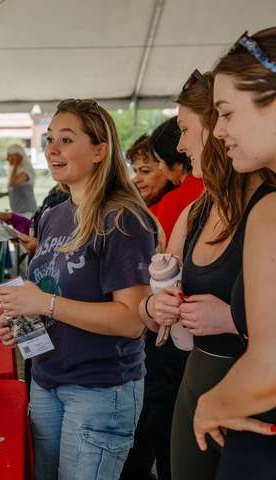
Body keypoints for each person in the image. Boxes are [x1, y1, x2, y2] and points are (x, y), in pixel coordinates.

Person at [0, 99, 158, 480]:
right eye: (50, 139)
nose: (52, 149)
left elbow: (133, 320)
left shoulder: (122, 219)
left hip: (100, 390)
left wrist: (45, 303)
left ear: (100, 150)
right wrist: (22, 318)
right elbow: (48, 291)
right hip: (48, 380)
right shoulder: (53, 215)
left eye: (67, 139)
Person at [139, 69, 276, 480]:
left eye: (185, 129)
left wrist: (232, 319)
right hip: (198, 386)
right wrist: (156, 304)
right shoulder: (196, 211)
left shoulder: (267, 206)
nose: (179, 145)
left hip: (251, 395)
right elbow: (148, 310)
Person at [191, 27, 276, 480]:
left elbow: (270, 365)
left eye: (225, 113)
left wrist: (210, 405)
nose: (218, 131)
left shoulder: (271, 211)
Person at [121, 133, 187, 480]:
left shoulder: (176, 205)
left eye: (151, 168)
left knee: (156, 424)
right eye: (137, 169)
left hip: (165, 336)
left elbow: (163, 279)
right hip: (180, 336)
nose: (139, 178)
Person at [150, 116, 204, 241]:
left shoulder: (173, 200)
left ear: (177, 163)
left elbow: (166, 256)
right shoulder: (221, 187)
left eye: (160, 161)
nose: (160, 167)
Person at [128, 134, 175, 217]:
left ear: (166, 167)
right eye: (135, 171)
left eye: (145, 171)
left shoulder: (172, 204)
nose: (136, 179)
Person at [0, 144, 38, 218]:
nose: (7, 159)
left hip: (27, 212)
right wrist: (5, 194)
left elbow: (12, 183)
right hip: (19, 211)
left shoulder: (25, 172)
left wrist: (15, 164)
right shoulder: (18, 171)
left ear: (17, 156)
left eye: (9, 156)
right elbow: (18, 190)